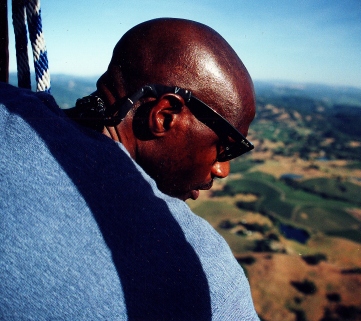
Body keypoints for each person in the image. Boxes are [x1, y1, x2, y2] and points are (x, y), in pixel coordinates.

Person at [0, 18, 259, 320]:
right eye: (225, 147)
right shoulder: (207, 276)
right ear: (164, 116)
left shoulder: (9, 108)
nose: (222, 169)